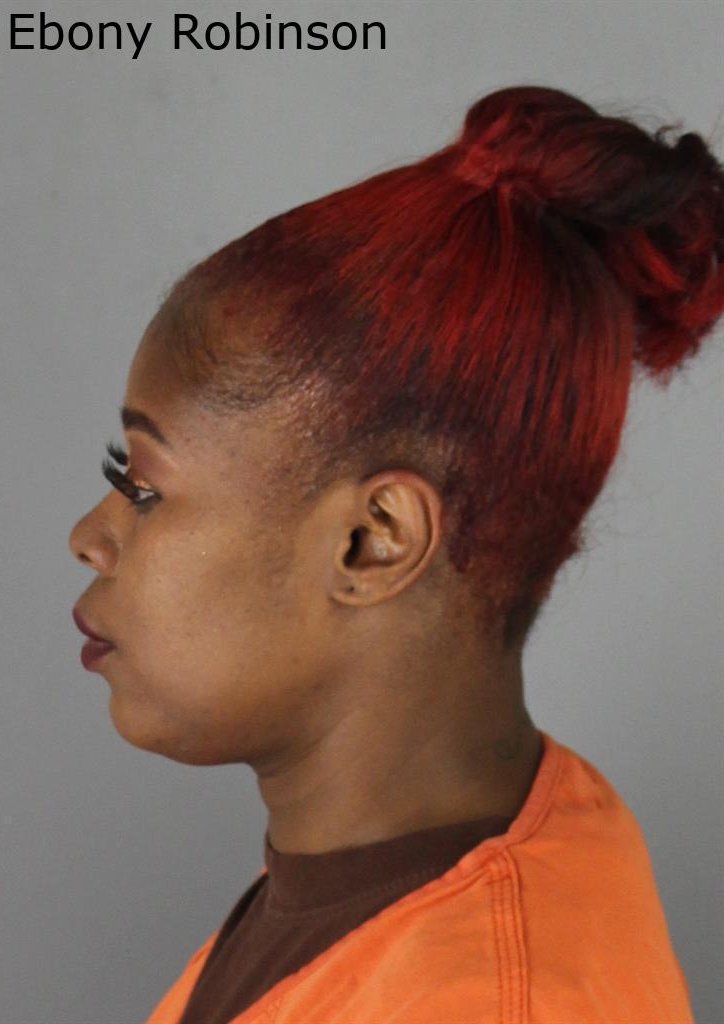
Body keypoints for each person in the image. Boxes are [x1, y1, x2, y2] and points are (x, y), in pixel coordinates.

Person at [69, 84, 723, 1023]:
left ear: (373, 541)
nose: (89, 539)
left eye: (141, 486)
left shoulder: (488, 1002)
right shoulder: (400, 875)